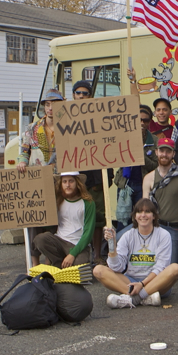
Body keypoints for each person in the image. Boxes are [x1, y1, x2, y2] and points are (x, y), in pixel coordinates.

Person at [93, 199, 178, 309]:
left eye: (147, 211)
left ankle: (134, 299)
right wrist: (112, 246)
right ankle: (144, 298)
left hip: (156, 283)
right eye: (139, 212)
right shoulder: (127, 236)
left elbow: (161, 267)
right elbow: (117, 267)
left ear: (154, 216)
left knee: (175, 268)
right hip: (130, 281)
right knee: (98, 270)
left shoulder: (164, 235)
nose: (143, 215)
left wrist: (142, 284)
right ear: (135, 216)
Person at [17, 88, 64, 266]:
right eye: (47, 104)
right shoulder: (33, 127)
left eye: (55, 104)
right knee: (35, 221)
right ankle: (34, 265)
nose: (51, 108)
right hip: (37, 180)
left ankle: (50, 263)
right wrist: (22, 161)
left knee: (56, 223)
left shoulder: (68, 125)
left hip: (60, 180)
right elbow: (24, 150)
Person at [141, 137, 178, 276]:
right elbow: (144, 210)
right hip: (153, 227)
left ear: (173, 154)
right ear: (156, 152)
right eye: (162, 151)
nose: (164, 154)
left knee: (169, 272)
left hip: (174, 228)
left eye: (168, 151)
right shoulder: (148, 178)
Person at [71, 79, 114, 265]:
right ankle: (78, 253)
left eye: (85, 93)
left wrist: (108, 175)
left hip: (96, 178)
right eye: (78, 93)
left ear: (91, 96)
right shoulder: (67, 118)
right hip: (75, 177)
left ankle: (97, 256)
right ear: (73, 95)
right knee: (76, 218)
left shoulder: (100, 117)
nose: (81, 96)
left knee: (97, 220)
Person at [33, 171, 95, 269]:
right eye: (64, 182)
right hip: (60, 240)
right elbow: (49, 224)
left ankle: (63, 265)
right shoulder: (58, 200)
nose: (68, 185)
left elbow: (88, 233)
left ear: (77, 183)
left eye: (71, 181)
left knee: (79, 265)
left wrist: (72, 254)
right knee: (40, 239)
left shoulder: (88, 203)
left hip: (77, 243)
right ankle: (58, 264)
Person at [113, 104, 159, 231]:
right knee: (123, 221)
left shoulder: (154, 141)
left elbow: (156, 165)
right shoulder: (124, 137)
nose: (142, 123)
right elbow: (114, 156)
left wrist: (141, 153)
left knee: (142, 219)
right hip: (125, 184)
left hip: (144, 186)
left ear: (150, 122)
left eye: (145, 120)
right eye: (139, 119)